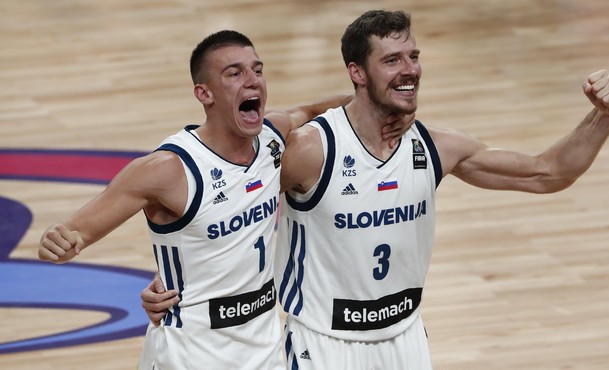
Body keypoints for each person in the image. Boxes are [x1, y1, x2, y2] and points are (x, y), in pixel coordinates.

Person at [143, 10, 609, 370]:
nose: (409, 68)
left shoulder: (436, 146)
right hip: (322, 345)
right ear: (357, 72)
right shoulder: (311, 150)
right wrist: (178, 283)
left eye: (413, 56)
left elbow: (549, 172)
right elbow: (225, 210)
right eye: (392, 59)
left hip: (405, 339)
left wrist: (604, 116)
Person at [37, 29, 410, 370]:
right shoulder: (166, 169)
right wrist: (60, 240)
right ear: (205, 93)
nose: (252, 81)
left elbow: (321, 110)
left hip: (264, 347)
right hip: (189, 354)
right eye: (234, 73)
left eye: (257, 70)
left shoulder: (273, 137)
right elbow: (73, 234)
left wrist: (390, 107)